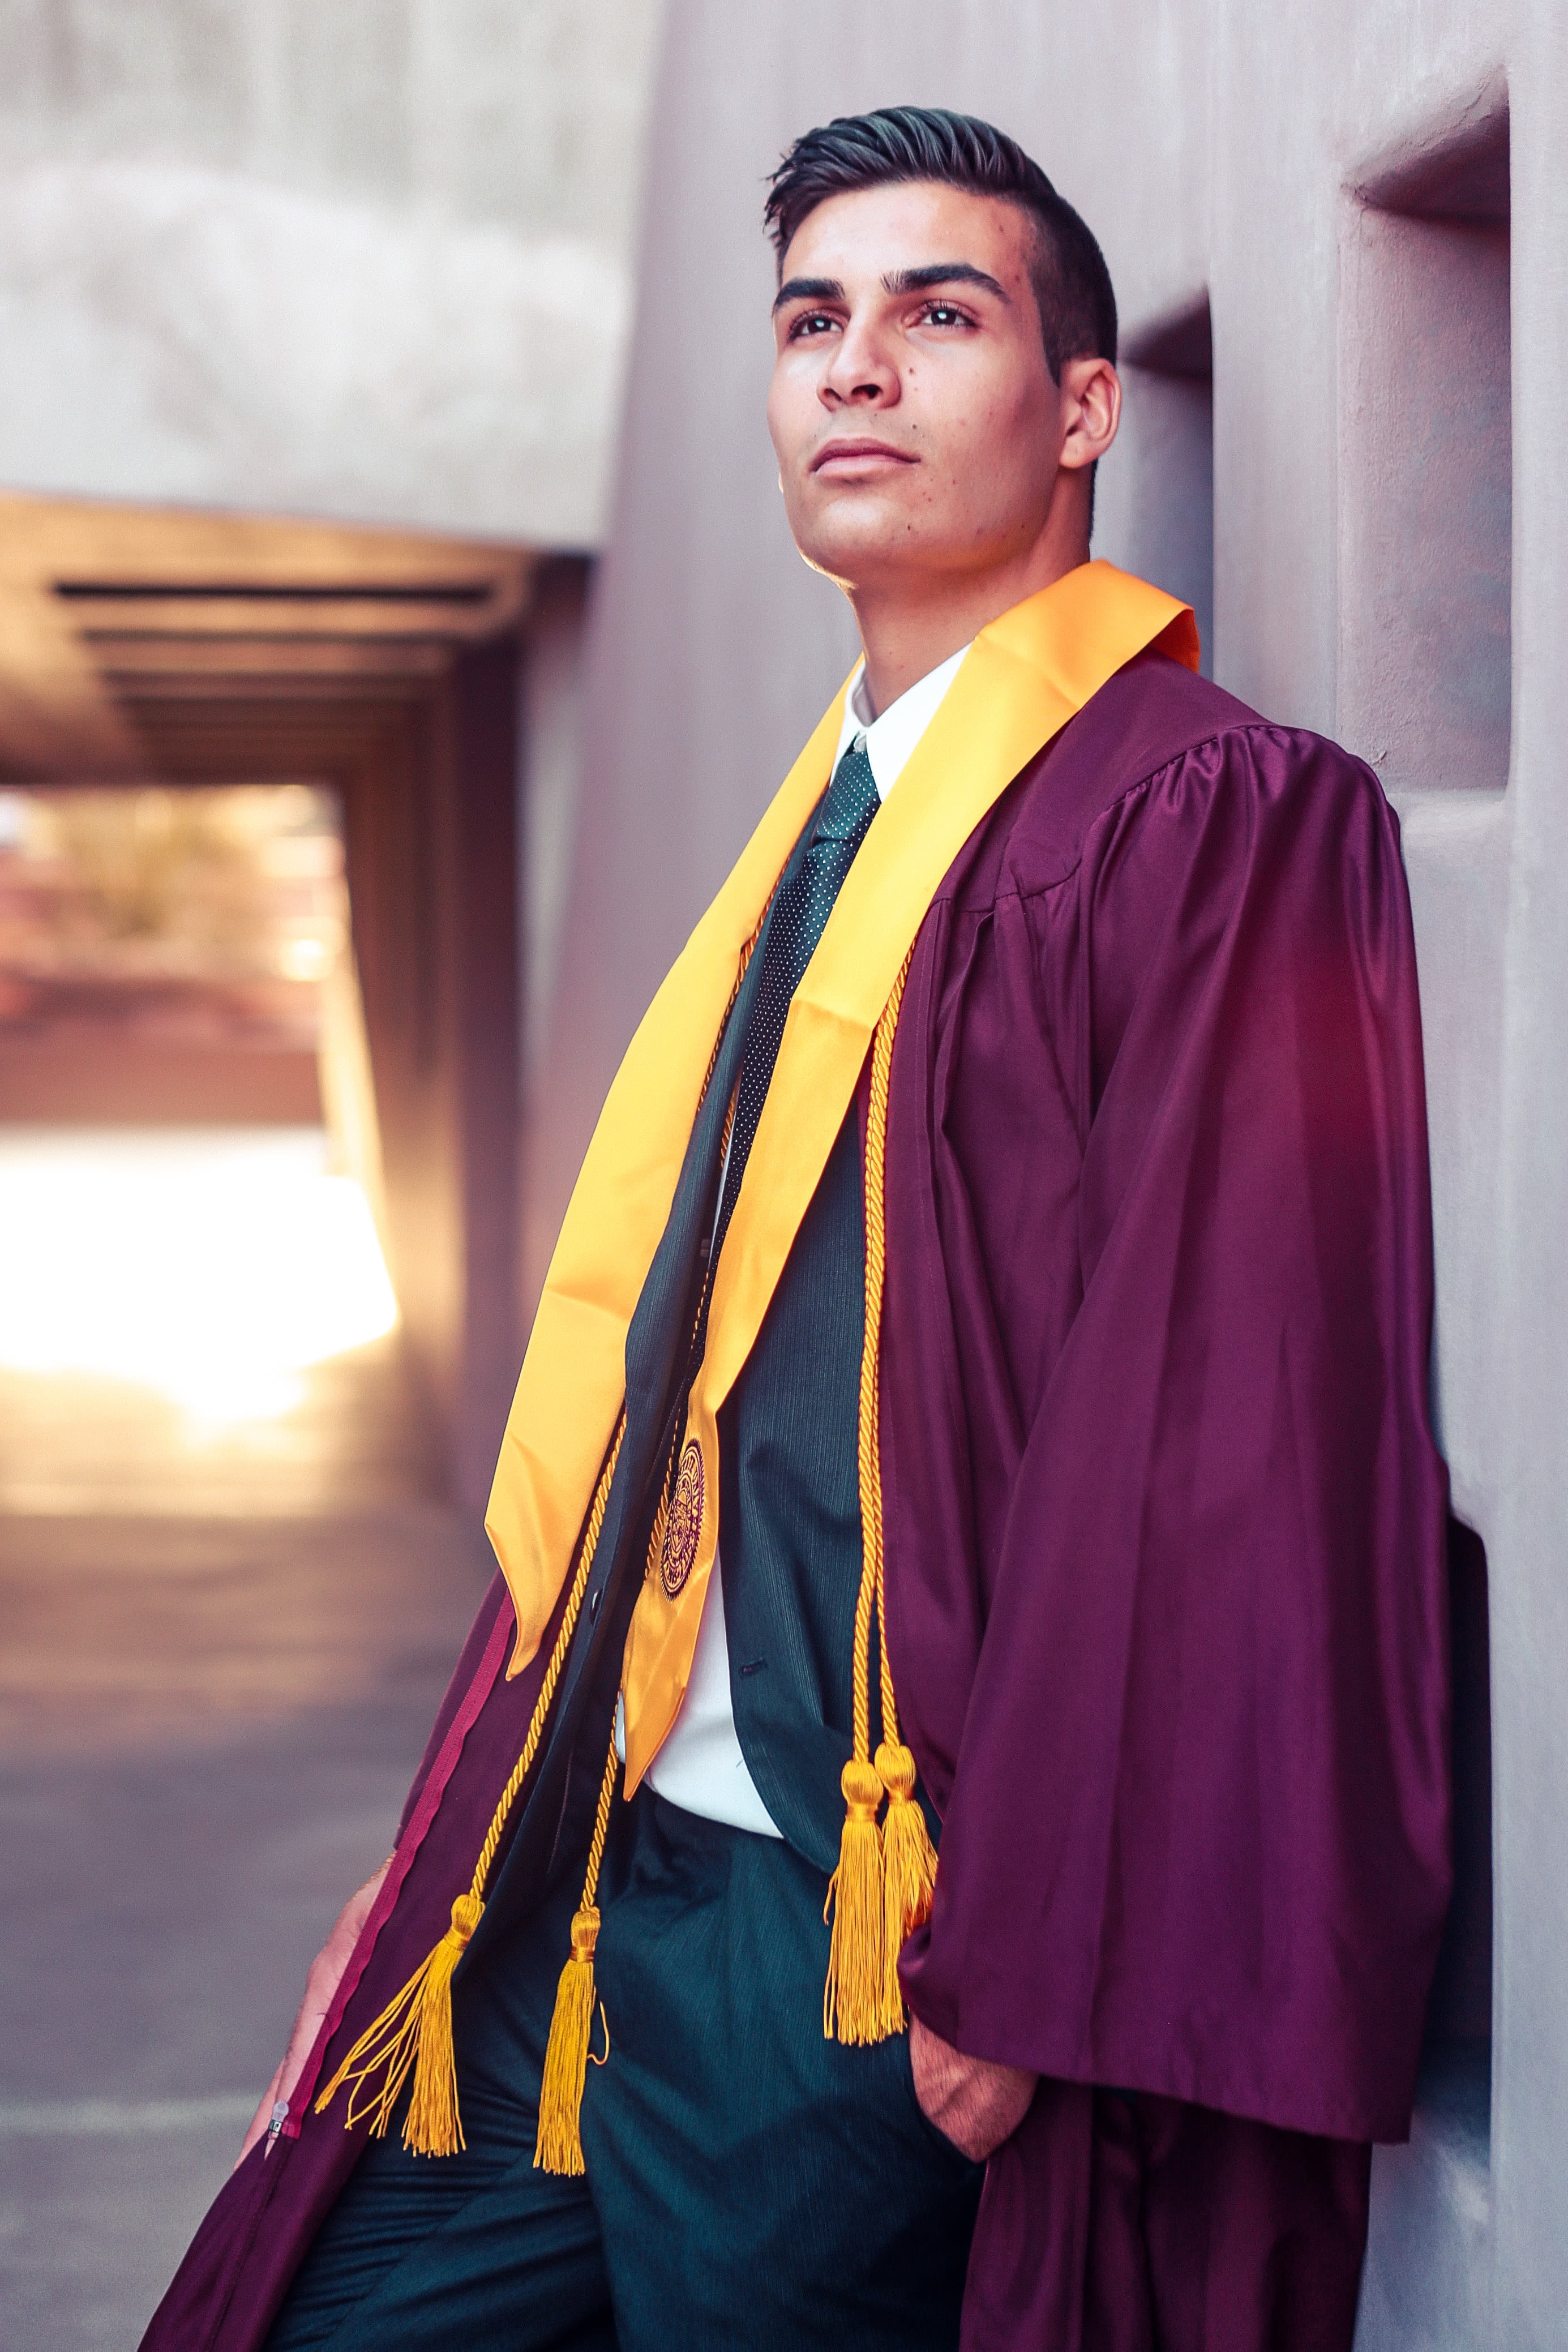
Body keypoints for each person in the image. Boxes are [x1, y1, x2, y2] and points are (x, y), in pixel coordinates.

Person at [142, 106, 1450, 2352]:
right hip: (589, 1876)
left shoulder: (1197, 821)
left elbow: (1210, 1430)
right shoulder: (813, 837)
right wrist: (440, 1846)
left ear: (1079, 412)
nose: (856, 365)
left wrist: (1029, 1951)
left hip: (857, 1948)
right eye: (810, 321)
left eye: (940, 315)